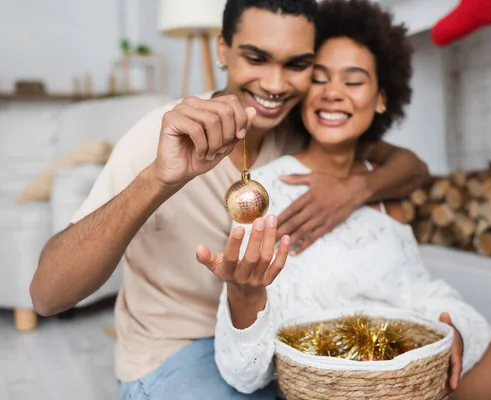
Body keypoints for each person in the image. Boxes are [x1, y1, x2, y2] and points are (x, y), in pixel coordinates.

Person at [197, 1, 491, 400]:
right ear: (303, 93)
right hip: (350, 388)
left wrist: (450, 324)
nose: (334, 93)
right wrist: (244, 296)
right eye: (319, 79)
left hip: (426, 370)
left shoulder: (385, 192)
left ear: (381, 99)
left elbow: (421, 291)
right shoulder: (263, 192)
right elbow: (244, 374)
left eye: (353, 82)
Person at [29, 0, 430, 399]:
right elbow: (47, 296)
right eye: (256, 58)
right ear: (223, 49)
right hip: (180, 350)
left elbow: (412, 167)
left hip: (274, 337)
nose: (275, 84)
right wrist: (158, 179)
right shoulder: (159, 135)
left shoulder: (299, 124)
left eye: (296, 65)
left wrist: (352, 190)